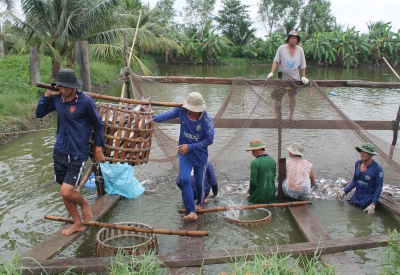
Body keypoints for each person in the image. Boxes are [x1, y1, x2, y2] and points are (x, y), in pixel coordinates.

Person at [36, 69, 105, 236]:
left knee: (66, 191)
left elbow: (99, 125)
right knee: (64, 192)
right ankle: (77, 223)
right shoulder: (57, 98)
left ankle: (84, 204)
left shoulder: (85, 102)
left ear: (74, 87)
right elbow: (39, 114)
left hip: (77, 153)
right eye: (61, 86)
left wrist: (98, 148)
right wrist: (46, 95)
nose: (63, 90)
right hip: (60, 150)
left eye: (66, 87)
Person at [154, 92, 215, 220]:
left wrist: (190, 146)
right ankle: (191, 212)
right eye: (192, 110)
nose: (193, 112)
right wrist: (149, 117)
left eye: (196, 111)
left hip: (200, 155)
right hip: (184, 154)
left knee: (199, 182)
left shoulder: (207, 119)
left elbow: (209, 140)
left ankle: (200, 202)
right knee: (185, 179)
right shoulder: (181, 111)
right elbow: (164, 116)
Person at [266, 30, 309, 121]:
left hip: (294, 79)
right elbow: (276, 61)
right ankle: (277, 115)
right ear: (288, 39)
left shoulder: (300, 50)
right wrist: (271, 73)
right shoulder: (282, 48)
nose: (292, 40)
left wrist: (304, 76)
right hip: (282, 78)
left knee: (292, 97)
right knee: (278, 97)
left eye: (294, 38)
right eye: (291, 38)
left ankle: (291, 116)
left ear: (297, 40)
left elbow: (303, 65)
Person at [337, 143, 384, 214]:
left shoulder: (377, 169)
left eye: (365, 152)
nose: (362, 153)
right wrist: (345, 191)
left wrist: (373, 205)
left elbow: (379, 187)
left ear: (371, 154)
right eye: (361, 151)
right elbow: (355, 180)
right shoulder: (358, 163)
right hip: (354, 199)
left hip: (366, 203)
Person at [246, 138, 276, 204]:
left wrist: (250, 193)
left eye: (252, 151)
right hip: (271, 195)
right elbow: (273, 177)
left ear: (258, 150)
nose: (252, 153)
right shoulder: (272, 160)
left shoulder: (255, 162)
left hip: (258, 197)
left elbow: (253, 182)